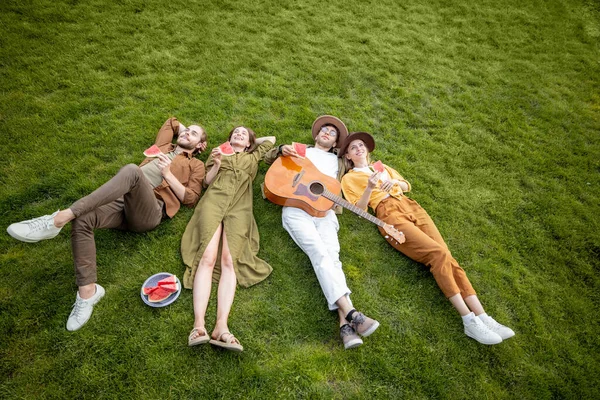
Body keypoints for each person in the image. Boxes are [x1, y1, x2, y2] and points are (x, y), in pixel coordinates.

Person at [7, 118, 208, 331]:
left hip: (150, 210)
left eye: (194, 134)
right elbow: (171, 122)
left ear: (200, 146)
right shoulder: (164, 146)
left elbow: (190, 199)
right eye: (187, 131)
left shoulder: (196, 164)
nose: (187, 134)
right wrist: (186, 132)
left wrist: (168, 173)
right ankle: (88, 293)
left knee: (132, 170)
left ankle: (57, 219)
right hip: (121, 200)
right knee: (83, 218)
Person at [340, 131, 515, 345]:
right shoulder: (349, 178)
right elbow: (359, 210)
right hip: (387, 212)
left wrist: (392, 183)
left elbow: (406, 185)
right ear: (348, 156)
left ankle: (483, 316)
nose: (359, 149)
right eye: (353, 148)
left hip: (409, 204)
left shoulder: (381, 167)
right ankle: (468, 320)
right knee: (438, 254)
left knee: (448, 258)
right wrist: (369, 187)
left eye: (361, 145)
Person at [263, 116, 380, 350]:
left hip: (326, 213)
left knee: (332, 259)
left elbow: (361, 166)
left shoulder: (339, 163)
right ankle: (351, 312)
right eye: (323, 130)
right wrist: (279, 150)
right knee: (319, 253)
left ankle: (345, 326)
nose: (327, 133)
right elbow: (269, 160)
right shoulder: (300, 150)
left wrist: (380, 178)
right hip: (297, 208)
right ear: (316, 136)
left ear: (337, 143)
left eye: (332, 133)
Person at [181, 126, 275, 352]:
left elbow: (270, 140)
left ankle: (221, 327)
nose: (239, 134)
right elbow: (206, 182)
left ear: (250, 143)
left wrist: (251, 142)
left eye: (244, 133)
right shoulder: (218, 152)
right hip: (213, 202)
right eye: (235, 133)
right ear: (228, 139)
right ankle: (199, 326)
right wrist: (216, 162)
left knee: (229, 260)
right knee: (207, 257)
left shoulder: (253, 157)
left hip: (240, 208)